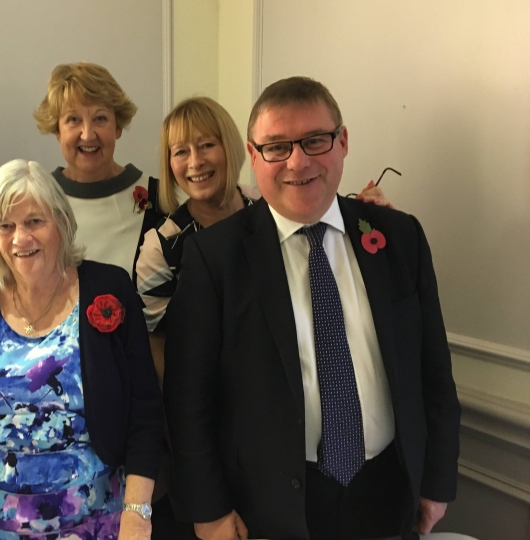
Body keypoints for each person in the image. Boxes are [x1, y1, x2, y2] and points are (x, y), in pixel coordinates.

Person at [163, 77, 461, 540]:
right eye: (277, 147)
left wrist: (437, 482)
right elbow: (188, 402)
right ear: (254, 153)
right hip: (268, 506)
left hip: (389, 490)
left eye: (315, 141)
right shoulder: (214, 258)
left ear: (342, 142)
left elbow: (434, 372)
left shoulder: (399, 238)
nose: (298, 162)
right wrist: (209, 510)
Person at [136, 96, 393, 539]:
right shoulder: (166, 245)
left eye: (207, 145)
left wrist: (363, 212)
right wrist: (203, 485)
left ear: (237, 150)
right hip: (240, 445)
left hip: (343, 459)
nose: (195, 162)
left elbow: (315, 213)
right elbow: (169, 367)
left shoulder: (268, 203)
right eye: (180, 151)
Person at [0, 159, 163, 539]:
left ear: (61, 223)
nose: (21, 238)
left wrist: (138, 515)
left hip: (96, 525)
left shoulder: (108, 289)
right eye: (5, 225)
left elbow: (144, 417)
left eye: (34, 221)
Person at [34, 62, 164, 276]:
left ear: (118, 127)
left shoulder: (159, 198)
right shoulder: (35, 199)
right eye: (73, 120)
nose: (87, 135)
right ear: (56, 130)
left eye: (100, 119)